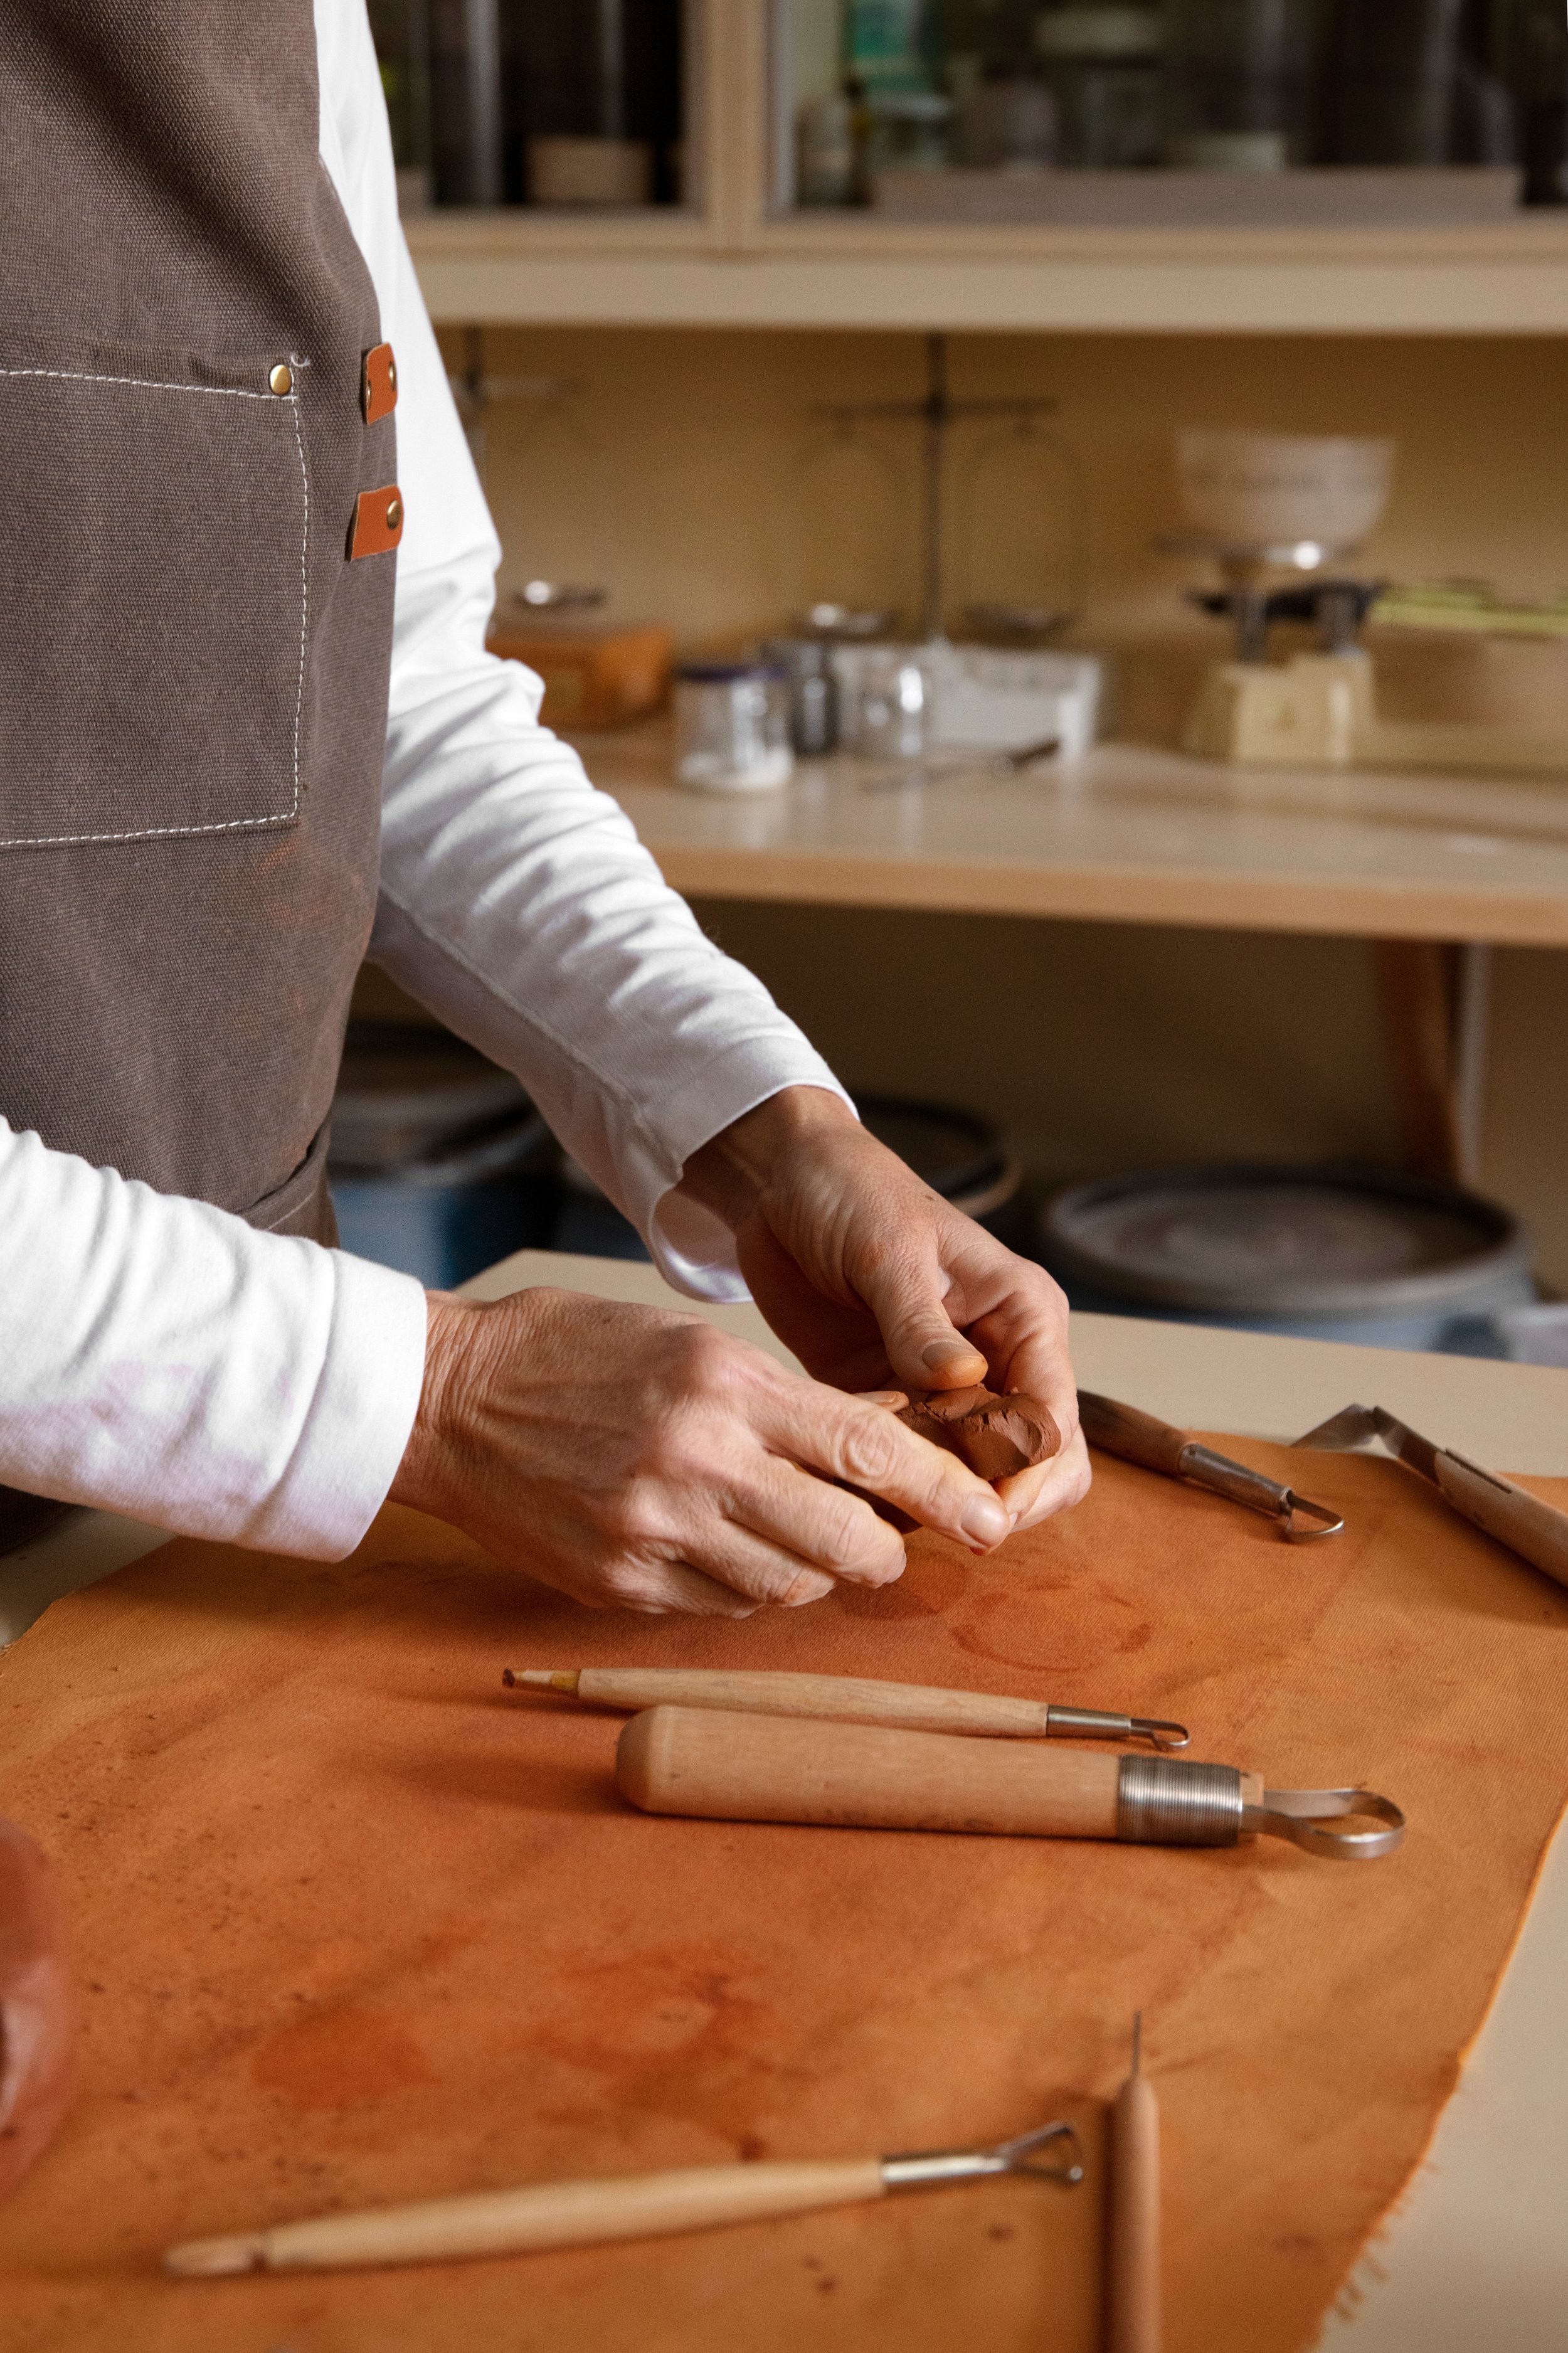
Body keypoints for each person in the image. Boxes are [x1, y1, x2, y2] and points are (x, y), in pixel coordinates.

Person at [0, 0, 1088, 1612]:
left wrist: (758, 1118)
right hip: (266, 1445)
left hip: (192, 1548)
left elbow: (384, 689)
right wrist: (424, 1392)